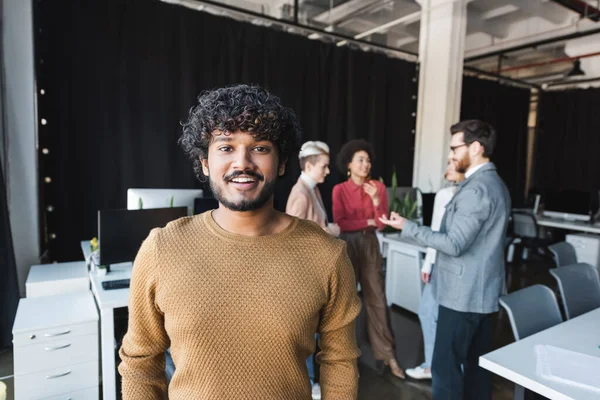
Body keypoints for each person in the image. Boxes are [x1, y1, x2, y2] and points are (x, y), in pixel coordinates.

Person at [118, 84, 362, 400]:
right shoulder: (161, 248)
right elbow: (140, 363)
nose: (243, 162)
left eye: (260, 148)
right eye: (226, 147)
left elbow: (339, 361)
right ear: (204, 162)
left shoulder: (327, 255)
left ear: (283, 162)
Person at [380, 120, 510, 399]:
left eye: (454, 148)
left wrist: (408, 227)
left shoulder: (476, 189)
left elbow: (453, 244)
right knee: (476, 369)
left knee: (444, 368)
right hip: (482, 293)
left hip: (462, 296)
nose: (450, 154)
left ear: (475, 148)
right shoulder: (494, 183)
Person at [332, 139, 405, 380]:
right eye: (360, 160)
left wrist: (375, 202)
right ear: (349, 165)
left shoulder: (378, 188)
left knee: (377, 299)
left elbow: (382, 224)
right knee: (346, 303)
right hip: (347, 245)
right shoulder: (339, 190)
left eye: (368, 160)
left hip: (370, 244)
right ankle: (343, 357)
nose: (366, 164)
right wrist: (369, 222)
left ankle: (387, 354)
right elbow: (342, 222)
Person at [286, 140, 341, 400]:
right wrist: (330, 232)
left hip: (314, 274)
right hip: (302, 277)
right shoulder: (300, 194)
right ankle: (306, 383)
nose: (327, 171)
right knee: (307, 332)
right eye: (324, 166)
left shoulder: (313, 190)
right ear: (309, 165)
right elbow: (291, 240)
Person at [405, 161, 465, 380]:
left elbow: (438, 234)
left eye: (453, 162)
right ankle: (440, 365)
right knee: (432, 313)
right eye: (447, 162)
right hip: (443, 264)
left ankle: (437, 366)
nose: (447, 166)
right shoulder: (445, 194)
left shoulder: (459, 196)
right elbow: (436, 232)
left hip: (451, 266)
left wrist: (429, 262)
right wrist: (428, 263)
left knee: (436, 314)